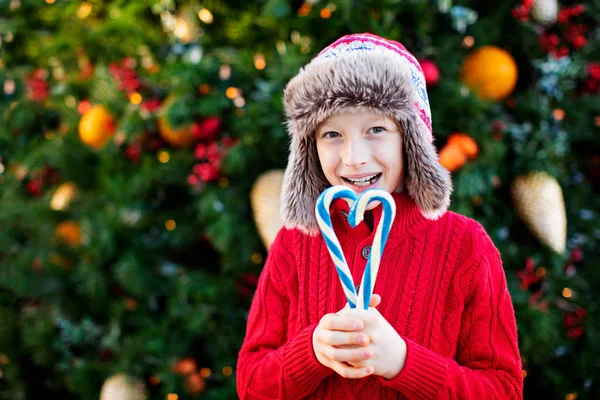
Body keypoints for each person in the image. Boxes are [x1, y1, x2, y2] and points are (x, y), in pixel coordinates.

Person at [237, 33, 523, 399]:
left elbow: (503, 390)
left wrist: (405, 362)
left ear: (411, 139)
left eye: (376, 129)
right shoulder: (294, 245)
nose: (354, 157)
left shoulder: (466, 246)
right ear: (311, 145)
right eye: (332, 134)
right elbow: (250, 384)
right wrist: (310, 353)